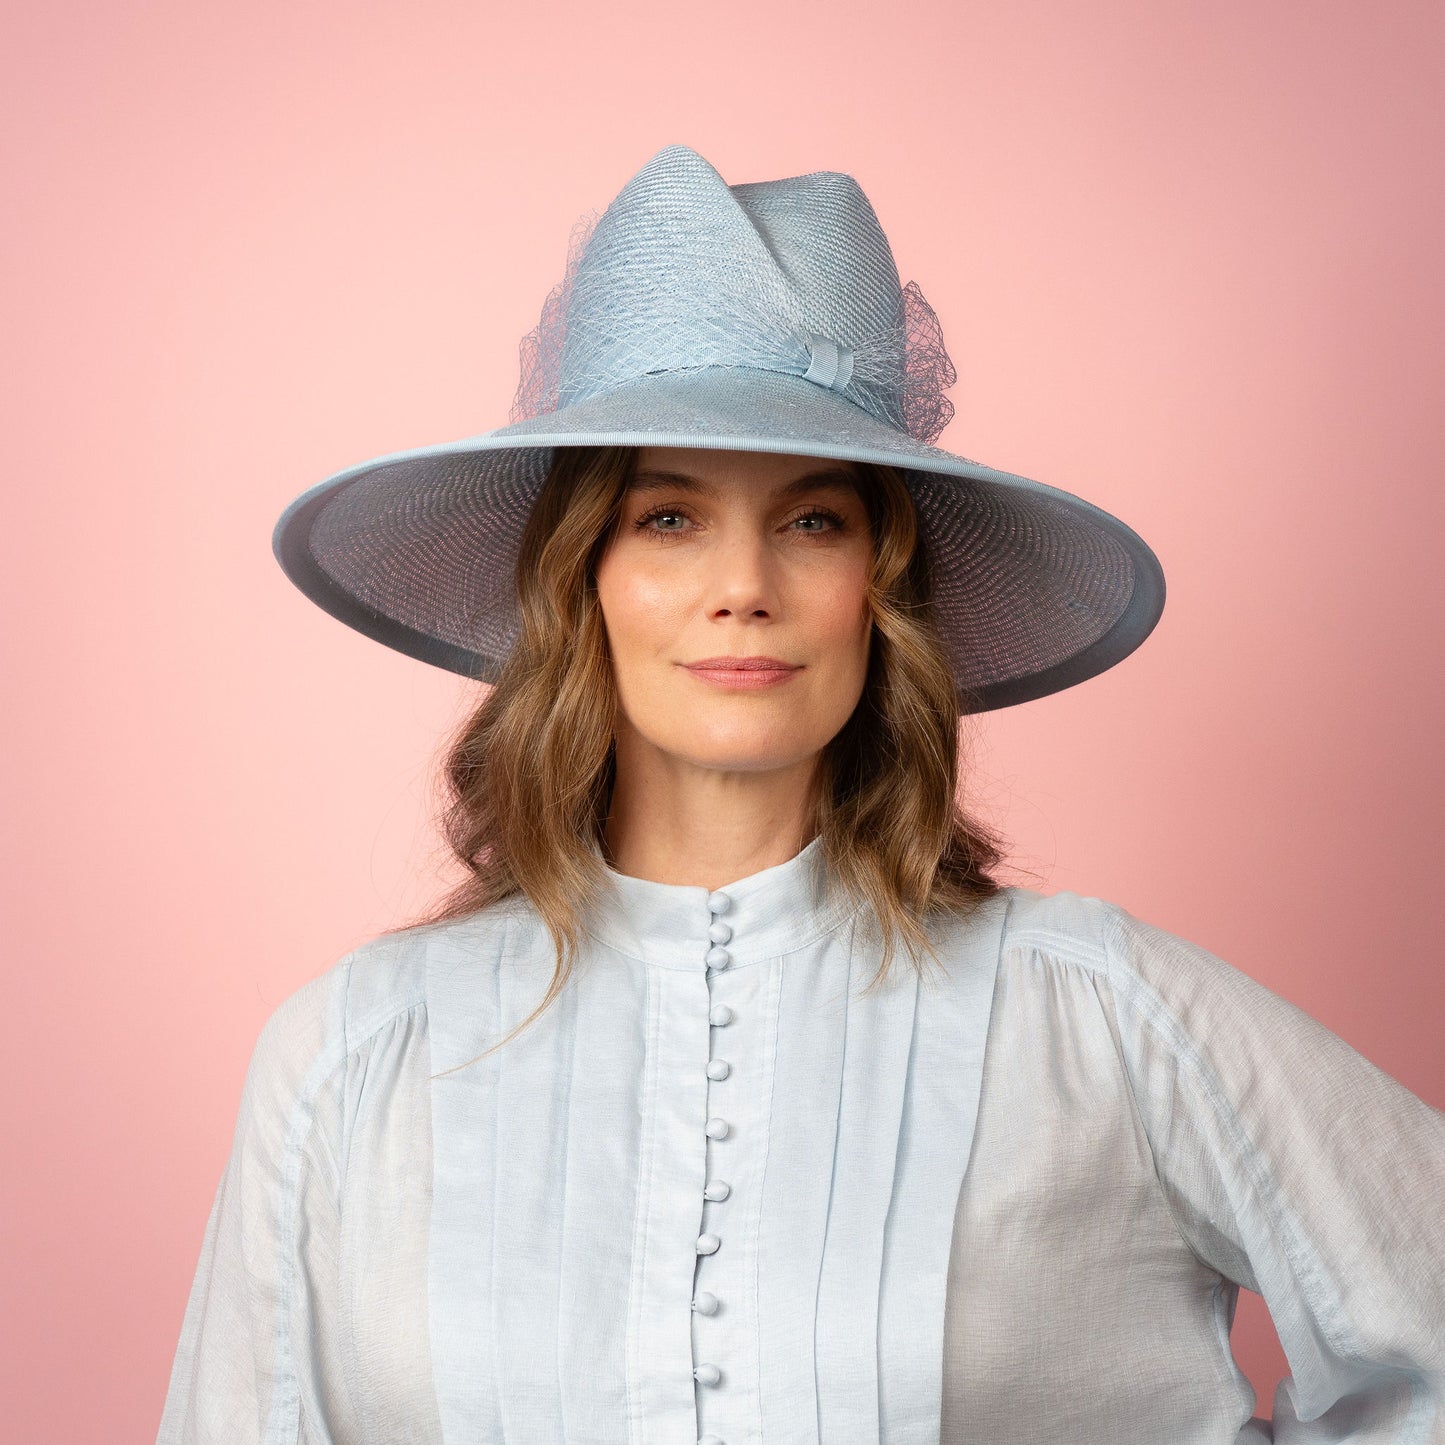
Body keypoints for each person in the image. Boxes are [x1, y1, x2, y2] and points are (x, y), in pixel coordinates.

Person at [157, 145, 1445, 1445]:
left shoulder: (1101, 1021)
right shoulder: (350, 1058)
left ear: (879, 591)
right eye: (666, 518)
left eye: (814, 519)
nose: (743, 583)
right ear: (577, 578)